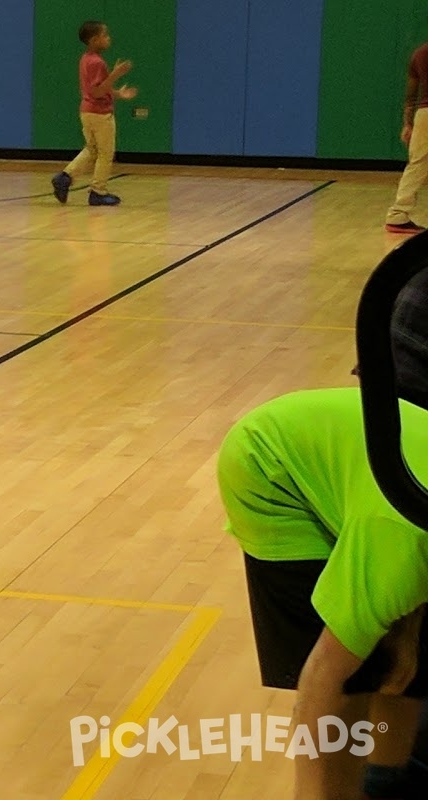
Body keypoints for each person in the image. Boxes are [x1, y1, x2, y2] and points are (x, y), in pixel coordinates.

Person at [217, 268, 428, 799]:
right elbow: (324, 674)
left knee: (414, 652)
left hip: (378, 476)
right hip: (272, 469)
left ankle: (384, 782)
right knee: (351, 670)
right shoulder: (401, 541)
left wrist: (408, 631)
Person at [51, 21, 136, 207]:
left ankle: (65, 177)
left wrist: (117, 93)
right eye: (105, 35)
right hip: (100, 114)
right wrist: (116, 74)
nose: (108, 38)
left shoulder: (86, 59)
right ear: (94, 40)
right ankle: (98, 191)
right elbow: (98, 92)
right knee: (106, 153)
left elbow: (95, 89)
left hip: (87, 111)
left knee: (92, 149)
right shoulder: (97, 62)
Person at [386, 41, 428, 235]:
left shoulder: (419, 54)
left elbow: (411, 96)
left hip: (423, 115)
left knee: (417, 164)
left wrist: (408, 124)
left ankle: (398, 214)